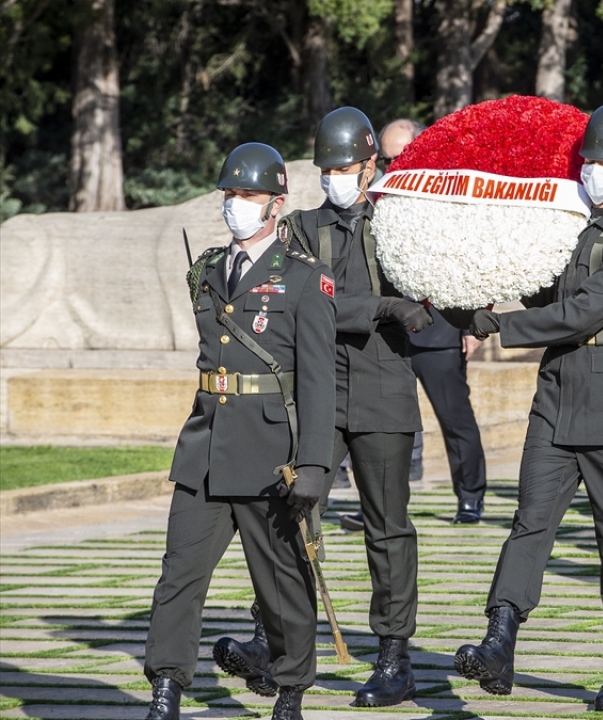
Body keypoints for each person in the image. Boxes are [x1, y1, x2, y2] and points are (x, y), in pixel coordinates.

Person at [215, 107, 432, 708]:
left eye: (344, 167)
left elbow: (428, 292)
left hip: (385, 391)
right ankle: (275, 637)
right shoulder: (301, 229)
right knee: (291, 514)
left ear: (370, 166)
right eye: (325, 168)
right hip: (318, 390)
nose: (334, 177)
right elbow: (307, 299)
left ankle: (394, 656)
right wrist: (385, 307)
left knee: (388, 528)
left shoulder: (400, 220)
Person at [452, 102, 603, 714]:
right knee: (530, 519)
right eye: (589, 160)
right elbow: (540, 282)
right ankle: (500, 640)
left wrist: (496, 322)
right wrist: (474, 282)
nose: (594, 170)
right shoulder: (571, 231)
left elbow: (580, 312)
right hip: (559, 392)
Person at [143, 143, 336, 720]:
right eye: (230, 194)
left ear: (276, 204)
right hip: (205, 445)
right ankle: (167, 686)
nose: (235, 205)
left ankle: (292, 688)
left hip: (270, 453)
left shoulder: (304, 280)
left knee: (280, 580)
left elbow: (321, 383)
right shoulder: (207, 270)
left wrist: (317, 464)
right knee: (179, 573)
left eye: (248, 195)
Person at [340, 117, 488, 532]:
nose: (393, 164)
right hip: (387, 332)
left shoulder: (450, 198)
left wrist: (471, 327)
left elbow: (471, 264)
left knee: (455, 418)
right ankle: (379, 506)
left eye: (400, 155)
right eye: (385, 158)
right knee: (383, 425)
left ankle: (471, 497)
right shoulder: (372, 201)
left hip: (441, 328)